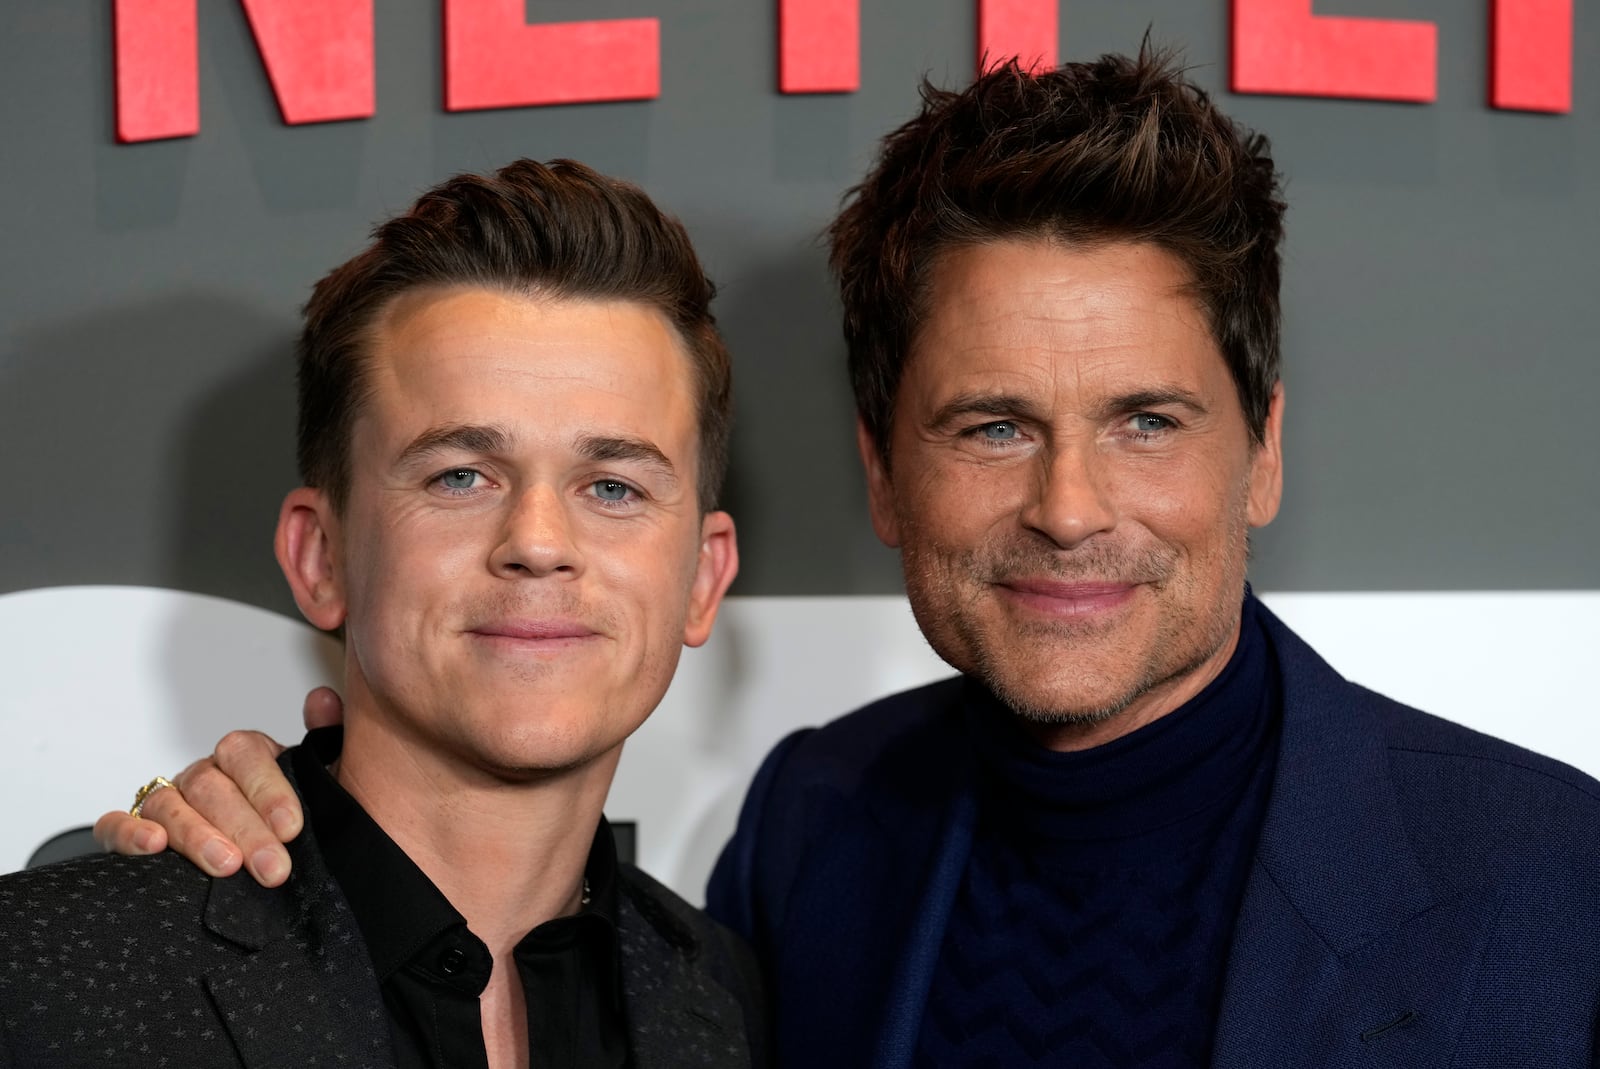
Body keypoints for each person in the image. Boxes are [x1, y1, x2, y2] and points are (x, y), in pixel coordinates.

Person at [98, 49, 1600, 1067]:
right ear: (883, 469)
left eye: (1145, 421)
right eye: (993, 426)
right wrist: (213, 862)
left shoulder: (1553, 888)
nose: (1071, 506)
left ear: (1261, 449)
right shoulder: (813, 835)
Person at [4, 159, 766, 1068]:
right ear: (320, 557)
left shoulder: (733, 1001)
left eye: (612, 485)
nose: (536, 540)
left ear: (701, 579)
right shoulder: (41, 982)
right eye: (460, 476)